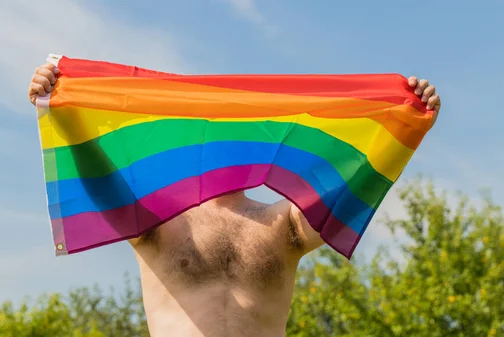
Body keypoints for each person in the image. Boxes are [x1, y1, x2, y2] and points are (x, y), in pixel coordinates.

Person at [29, 63, 441, 337]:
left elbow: (351, 185)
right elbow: (104, 181)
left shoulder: (281, 227)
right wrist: (60, 111)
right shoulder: (159, 222)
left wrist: (406, 129)